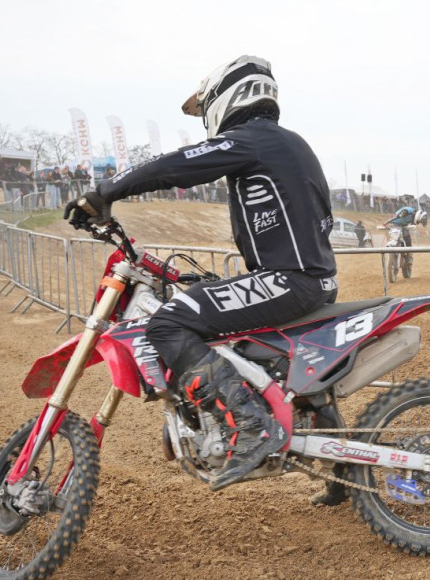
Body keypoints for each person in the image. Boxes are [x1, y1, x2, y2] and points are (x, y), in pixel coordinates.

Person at [65, 55, 339, 492]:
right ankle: (341, 468)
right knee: (268, 353)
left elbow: (179, 164)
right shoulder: (289, 143)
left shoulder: (253, 139)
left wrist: (105, 191)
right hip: (310, 278)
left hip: (290, 278)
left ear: (224, 97)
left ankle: (251, 429)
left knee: (169, 322)